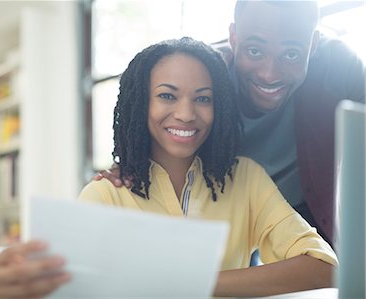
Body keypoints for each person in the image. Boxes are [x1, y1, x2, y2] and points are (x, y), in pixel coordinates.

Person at [0, 37, 337, 299]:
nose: (186, 113)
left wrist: (190, 283)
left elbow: (325, 268)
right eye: (167, 96)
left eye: (203, 98)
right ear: (142, 104)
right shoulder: (106, 193)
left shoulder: (245, 178)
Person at [95, 0, 366, 247]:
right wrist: (131, 164)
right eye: (254, 51)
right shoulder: (205, 77)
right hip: (222, 208)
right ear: (234, 38)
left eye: (292, 54)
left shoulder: (339, 68)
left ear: (314, 44)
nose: (269, 73)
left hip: (306, 206)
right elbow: (155, 124)